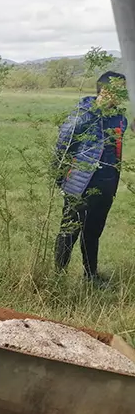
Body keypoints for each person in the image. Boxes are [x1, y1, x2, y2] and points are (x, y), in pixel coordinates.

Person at [54, 71, 128, 284]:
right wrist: (61, 179)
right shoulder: (83, 115)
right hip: (80, 185)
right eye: (119, 89)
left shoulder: (119, 118)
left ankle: (91, 276)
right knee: (69, 231)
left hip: (107, 185)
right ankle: (58, 278)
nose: (123, 93)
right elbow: (63, 147)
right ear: (105, 90)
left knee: (93, 231)